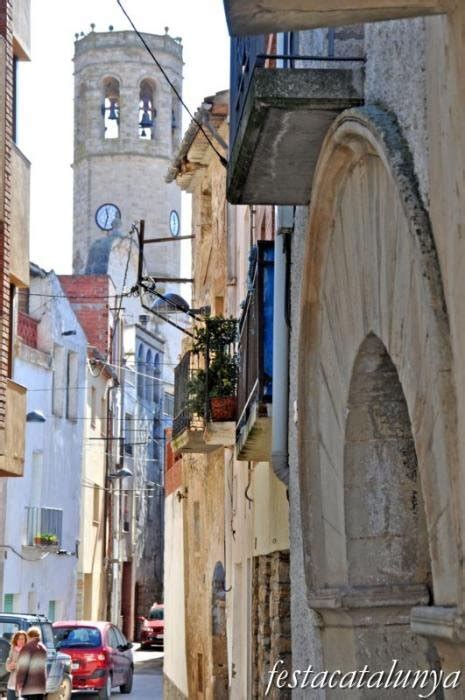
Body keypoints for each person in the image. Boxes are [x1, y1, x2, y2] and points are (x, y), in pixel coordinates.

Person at [15, 628, 47, 700]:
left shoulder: (27, 647)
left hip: (29, 687)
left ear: (29, 636)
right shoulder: (43, 648)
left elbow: (23, 668)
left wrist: (19, 683)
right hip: (41, 686)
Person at [5, 631, 27, 700]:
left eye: (23, 639)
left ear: (25, 640)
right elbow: (8, 662)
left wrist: (16, 665)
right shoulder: (12, 650)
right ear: (15, 640)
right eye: (19, 639)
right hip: (12, 684)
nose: (21, 641)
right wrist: (9, 666)